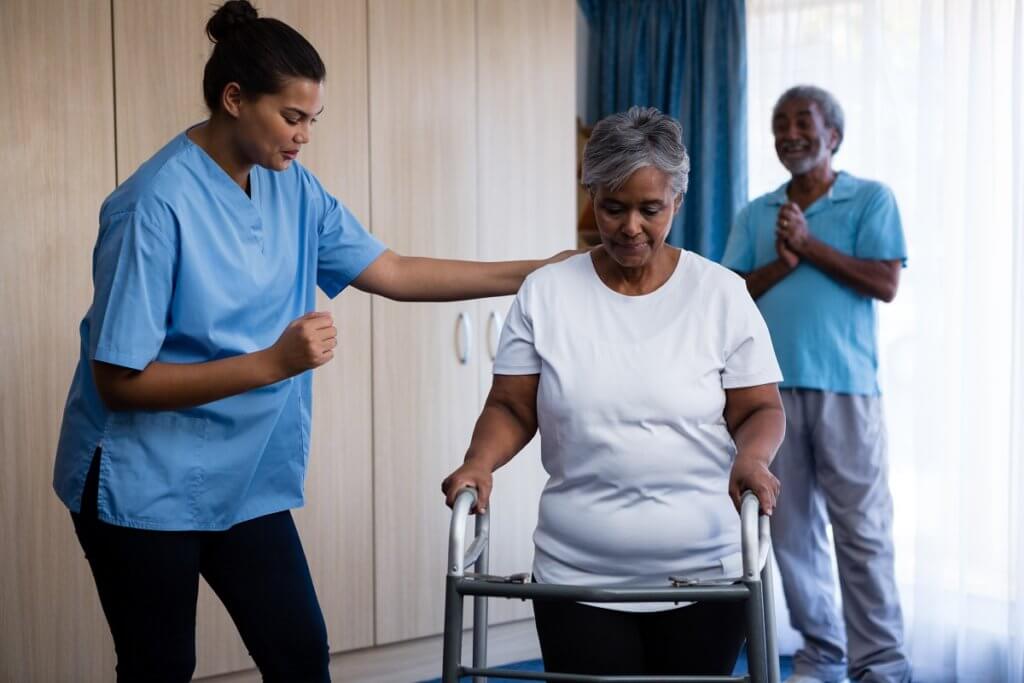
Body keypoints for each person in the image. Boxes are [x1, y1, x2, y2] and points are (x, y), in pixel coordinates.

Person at [51, 2, 572, 681]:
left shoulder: (292, 188)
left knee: (299, 652)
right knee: (160, 664)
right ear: (235, 99)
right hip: (142, 480)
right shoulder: (153, 204)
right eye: (291, 117)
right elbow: (119, 380)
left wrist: (535, 270)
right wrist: (275, 362)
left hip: (243, 477)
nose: (303, 137)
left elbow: (391, 269)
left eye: (311, 121)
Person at [442, 106, 786, 677]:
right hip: (576, 574)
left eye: (649, 209)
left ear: (676, 199)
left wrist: (752, 458)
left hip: (704, 572)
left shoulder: (721, 294)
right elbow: (511, 405)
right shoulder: (546, 293)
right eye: (613, 207)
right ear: (591, 197)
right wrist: (479, 463)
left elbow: (759, 408)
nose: (630, 226)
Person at [721, 85, 910, 683]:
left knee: (863, 532)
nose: (789, 132)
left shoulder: (871, 199)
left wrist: (809, 245)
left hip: (846, 391)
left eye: (803, 121)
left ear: (834, 135)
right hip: (768, 396)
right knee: (791, 534)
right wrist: (783, 260)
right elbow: (733, 295)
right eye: (780, 123)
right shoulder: (757, 212)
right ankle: (823, 655)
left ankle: (881, 665)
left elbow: (884, 282)